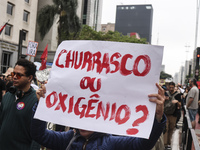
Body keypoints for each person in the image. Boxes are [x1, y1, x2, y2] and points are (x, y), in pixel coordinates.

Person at [31, 83, 166, 150]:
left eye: (89, 118)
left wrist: (158, 118)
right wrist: (40, 106)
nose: (83, 123)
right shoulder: (69, 138)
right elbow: (39, 135)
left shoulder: (112, 142)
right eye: (81, 118)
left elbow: (143, 145)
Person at [0, 59, 40, 150]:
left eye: (19, 75)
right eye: (14, 74)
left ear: (29, 78)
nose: (14, 77)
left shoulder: (36, 100)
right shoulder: (7, 96)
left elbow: (37, 135)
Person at [163, 81, 181, 150]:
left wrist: (177, 102)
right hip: (166, 114)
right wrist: (164, 99)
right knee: (166, 129)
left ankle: (169, 143)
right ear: (168, 87)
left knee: (171, 129)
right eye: (170, 87)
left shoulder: (177, 95)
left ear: (174, 87)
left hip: (173, 115)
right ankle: (165, 144)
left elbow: (180, 105)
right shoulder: (166, 93)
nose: (171, 89)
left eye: (172, 87)